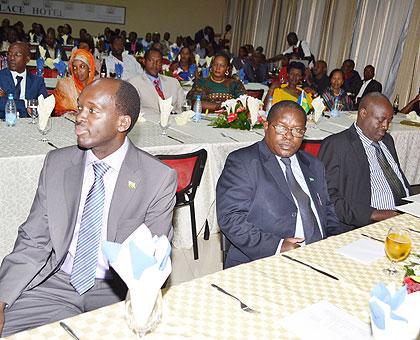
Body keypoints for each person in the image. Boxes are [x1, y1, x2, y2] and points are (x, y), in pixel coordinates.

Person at [0, 78, 177, 337]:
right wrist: (2, 297)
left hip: (116, 290)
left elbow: (149, 263)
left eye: (92, 110)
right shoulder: (57, 164)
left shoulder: (157, 178)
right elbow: (33, 241)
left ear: (122, 123)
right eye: (80, 107)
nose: (79, 117)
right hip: (57, 283)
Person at [216, 100, 342, 268]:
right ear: (266, 126)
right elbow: (231, 218)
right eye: (282, 128)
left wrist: (333, 241)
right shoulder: (243, 162)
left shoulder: (313, 164)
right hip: (267, 259)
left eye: (297, 130)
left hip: (321, 255)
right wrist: (277, 247)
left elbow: (327, 209)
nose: (289, 136)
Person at [319, 92, 411, 230]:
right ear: (363, 113)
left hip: (406, 215)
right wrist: (373, 214)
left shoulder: (387, 140)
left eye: (389, 121)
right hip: (368, 223)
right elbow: (327, 197)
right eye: (380, 120)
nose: (385, 126)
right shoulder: (337, 145)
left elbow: (397, 179)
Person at [129, 47, 184, 115]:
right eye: (151, 60)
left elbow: (182, 106)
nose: (155, 64)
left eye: (158, 61)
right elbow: (134, 111)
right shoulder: (134, 83)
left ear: (161, 64)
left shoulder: (173, 82)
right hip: (149, 123)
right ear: (144, 61)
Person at [0, 42, 48, 119]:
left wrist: (7, 99)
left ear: (27, 59)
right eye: (9, 54)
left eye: (17, 55)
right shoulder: (1, 77)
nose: (11, 58)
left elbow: (44, 105)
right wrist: (26, 104)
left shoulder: (37, 81)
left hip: (29, 125)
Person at [53, 49, 96, 115]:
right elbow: (58, 111)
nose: (78, 71)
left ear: (90, 67)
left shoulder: (98, 87)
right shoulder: (65, 85)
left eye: (82, 66)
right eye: (75, 68)